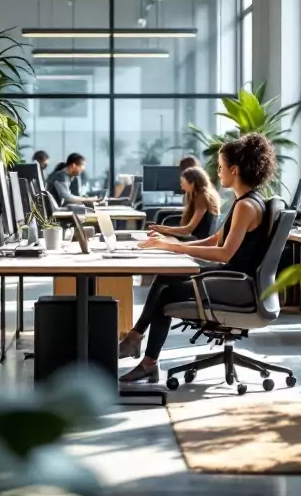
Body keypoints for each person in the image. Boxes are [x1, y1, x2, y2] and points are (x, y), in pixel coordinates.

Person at [118, 132, 277, 383]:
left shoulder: (246, 206)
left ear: (234, 170)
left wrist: (175, 248)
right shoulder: (244, 201)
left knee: (167, 292)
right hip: (232, 278)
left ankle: (144, 355)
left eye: (221, 166)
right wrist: (168, 244)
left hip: (236, 284)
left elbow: (225, 254)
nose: (218, 171)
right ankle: (136, 341)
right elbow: (214, 240)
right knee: (165, 278)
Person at [149, 165, 220, 241]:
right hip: (198, 238)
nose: (181, 185)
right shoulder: (199, 195)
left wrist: (161, 229)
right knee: (159, 236)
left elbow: (188, 229)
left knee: (160, 238)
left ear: (193, 183)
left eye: (183, 182)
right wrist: (161, 228)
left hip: (199, 241)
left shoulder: (202, 197)